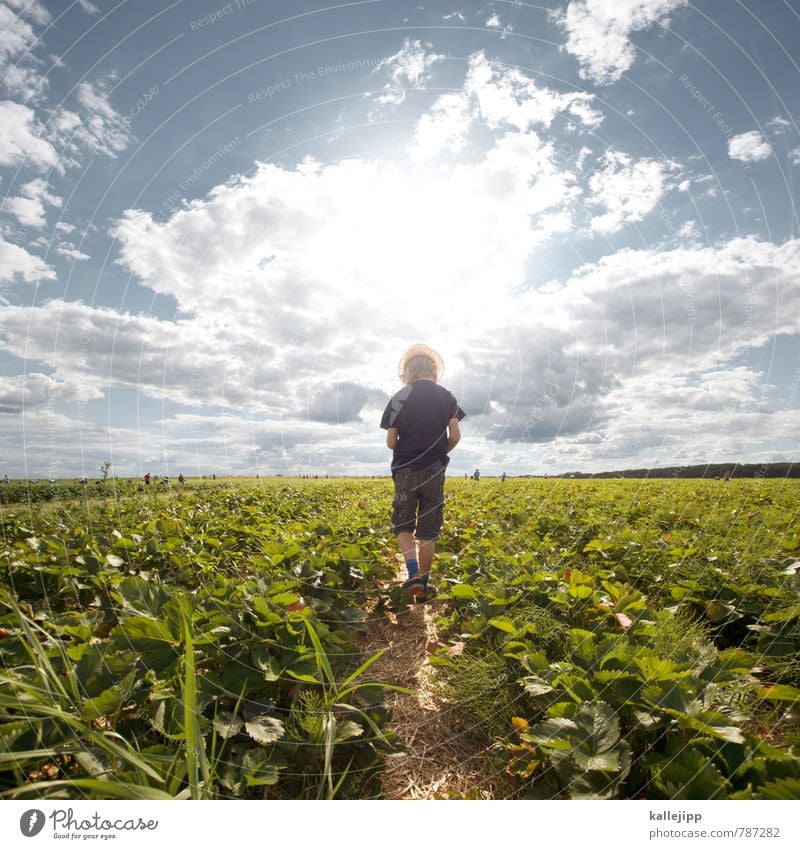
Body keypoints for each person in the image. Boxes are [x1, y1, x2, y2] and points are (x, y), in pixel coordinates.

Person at [380, 344, 465, 602]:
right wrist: (439, 453)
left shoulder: (399, 397)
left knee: (403, 525)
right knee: (428, 530)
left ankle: (413, 574)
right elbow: (455, 436)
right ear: (434, 371)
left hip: (405, 469)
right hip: (433, 471)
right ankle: (424, 587)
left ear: (408, 372)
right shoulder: (446, 397)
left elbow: (391, 442)